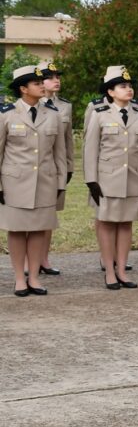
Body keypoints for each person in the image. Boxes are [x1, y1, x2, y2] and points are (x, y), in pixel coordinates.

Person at [85, 66, 138, 291]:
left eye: (130, 85)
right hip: (107, 180)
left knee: (126, 224)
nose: (129, 89)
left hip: (134, 179)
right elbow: (90, 150)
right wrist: (91, 180)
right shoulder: (99, 115)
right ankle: (109, 270)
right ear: (110, 92)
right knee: (107, 224)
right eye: (122, 86)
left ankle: (122, 270)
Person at [2, 65, 67, 297]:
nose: (42, 86)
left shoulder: (53, 114)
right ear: (23, 88)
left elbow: (59, 153)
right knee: (17, 231)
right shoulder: (6, 114)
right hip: (15, 184)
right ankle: (20, 278)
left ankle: (34, 277)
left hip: (45, 182)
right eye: (37, 83)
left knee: (39, 229)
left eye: (42, 82)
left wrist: (60, 183)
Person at [35, 60, 71, 277]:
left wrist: (68, 168)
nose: (56, 80)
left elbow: (67, 141)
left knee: (48, 216)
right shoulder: (29, 105)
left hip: (54, 168)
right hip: (31, 168)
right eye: (50, 77)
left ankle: (44, 259)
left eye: (58, 77)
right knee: (31, 217)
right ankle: (30, 260)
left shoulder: (64, 106)